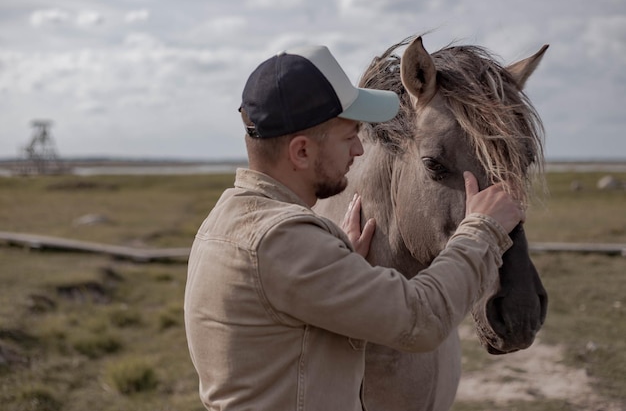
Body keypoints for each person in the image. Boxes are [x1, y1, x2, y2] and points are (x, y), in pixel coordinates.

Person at [184, 45, 524, 411]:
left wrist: (335, 263)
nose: (359, 152)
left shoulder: (228, 218)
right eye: (350, 137)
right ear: (301, 152)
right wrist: (481, 230)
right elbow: (421, 319)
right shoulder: (280, 241)